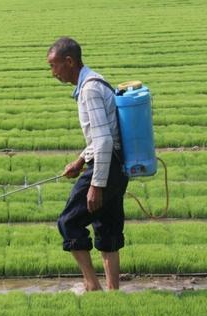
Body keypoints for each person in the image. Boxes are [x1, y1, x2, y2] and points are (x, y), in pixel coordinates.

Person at [47, 37, 129, 291]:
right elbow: (104, 135)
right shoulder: (95, 80)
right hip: (118, 165)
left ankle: (92, 285)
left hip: (107, 166)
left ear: (69, 61)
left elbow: (104, 140)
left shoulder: (89, 89)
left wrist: (96, 184)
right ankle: (114, 292)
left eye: (54, 66)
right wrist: (80, 160)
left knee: (69, 222)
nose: (53, 73)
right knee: (107, 226)